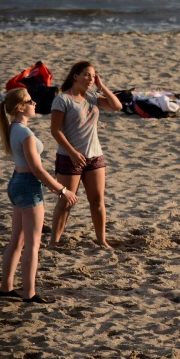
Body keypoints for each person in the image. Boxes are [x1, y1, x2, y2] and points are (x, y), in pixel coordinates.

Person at [0, 88, 78, 304]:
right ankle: (29, 293)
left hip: (16, 183)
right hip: (27, 186)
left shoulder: (14, 128)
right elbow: (38, 170)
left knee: (17, 240)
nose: (35, 103)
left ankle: (6, 287)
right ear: (20, 107)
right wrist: (62, 190)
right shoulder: (25, 133)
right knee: (33, 244)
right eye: (30, 101)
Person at [49, 61, 122, 248]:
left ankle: (101, 240)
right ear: (75, 76)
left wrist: (102, 86)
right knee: (66, 202)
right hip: (69, 157)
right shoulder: (63, 99)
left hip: (95, 156)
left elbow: (117, 106)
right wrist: (72, 153)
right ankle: (54, 242)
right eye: (87, 75)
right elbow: (55, 130)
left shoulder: (92, 96)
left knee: (97, 201)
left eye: (93, 75)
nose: (90, 79)